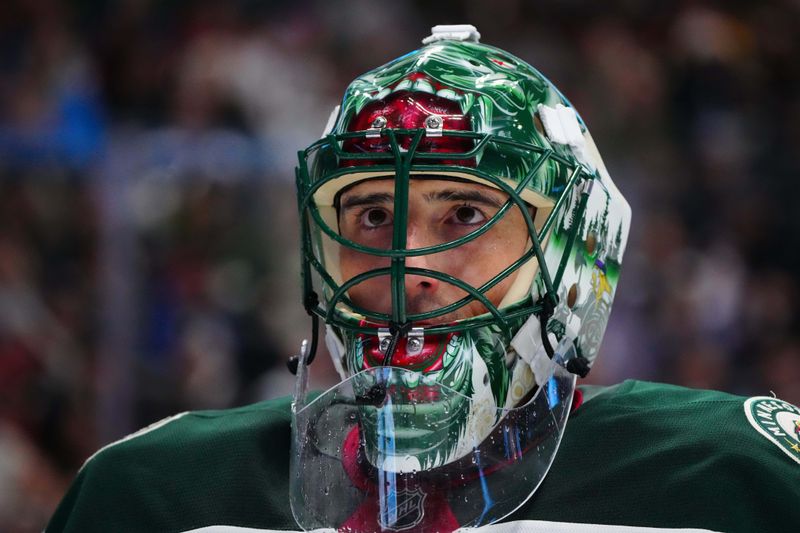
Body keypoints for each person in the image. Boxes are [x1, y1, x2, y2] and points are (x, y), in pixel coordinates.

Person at [47, 25, 799, 533]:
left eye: (465, 214)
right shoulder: (153, 494)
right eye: (372, 217)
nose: (408, 271)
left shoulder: (734, 482)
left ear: (573, 250)